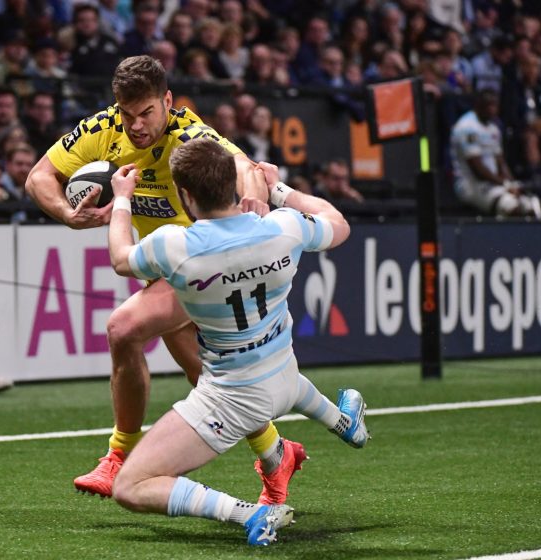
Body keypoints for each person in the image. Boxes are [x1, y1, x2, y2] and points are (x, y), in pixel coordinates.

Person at [25, 55, 304, 502]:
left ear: (167, 102)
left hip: (204, 261)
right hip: (168, 266)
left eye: (147, 113)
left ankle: (119, 455)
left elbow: (247, 169)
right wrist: (66, 214)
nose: (136, 125)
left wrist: (254, 200)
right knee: (202, 369)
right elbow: (39, 176)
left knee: (123, 329)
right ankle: (276, 454)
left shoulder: (190, 135)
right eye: (127, 114)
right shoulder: (102, 129)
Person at [106, 139, 369, 545]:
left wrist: (122, 199)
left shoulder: (174, 246)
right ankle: (345, 423)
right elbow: (338, 222)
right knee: (281, 374)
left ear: (186, 195)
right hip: (285, 374)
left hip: (233, 400)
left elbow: (122, 258)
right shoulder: (283, 226)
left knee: (130, 486)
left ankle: (249, 512)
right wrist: (279, 190)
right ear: (232, 184)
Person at [451, 89, 535, 216]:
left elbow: (500, 162)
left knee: (529, 206)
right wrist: (505, 184)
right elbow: (477, 170)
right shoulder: (466, 127)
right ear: (478, 106)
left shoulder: (493, 129)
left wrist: (511, 183)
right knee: (511, 207)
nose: (492, 110)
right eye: (488, 106)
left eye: (495, 105)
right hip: (470, 184)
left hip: (493, 183)